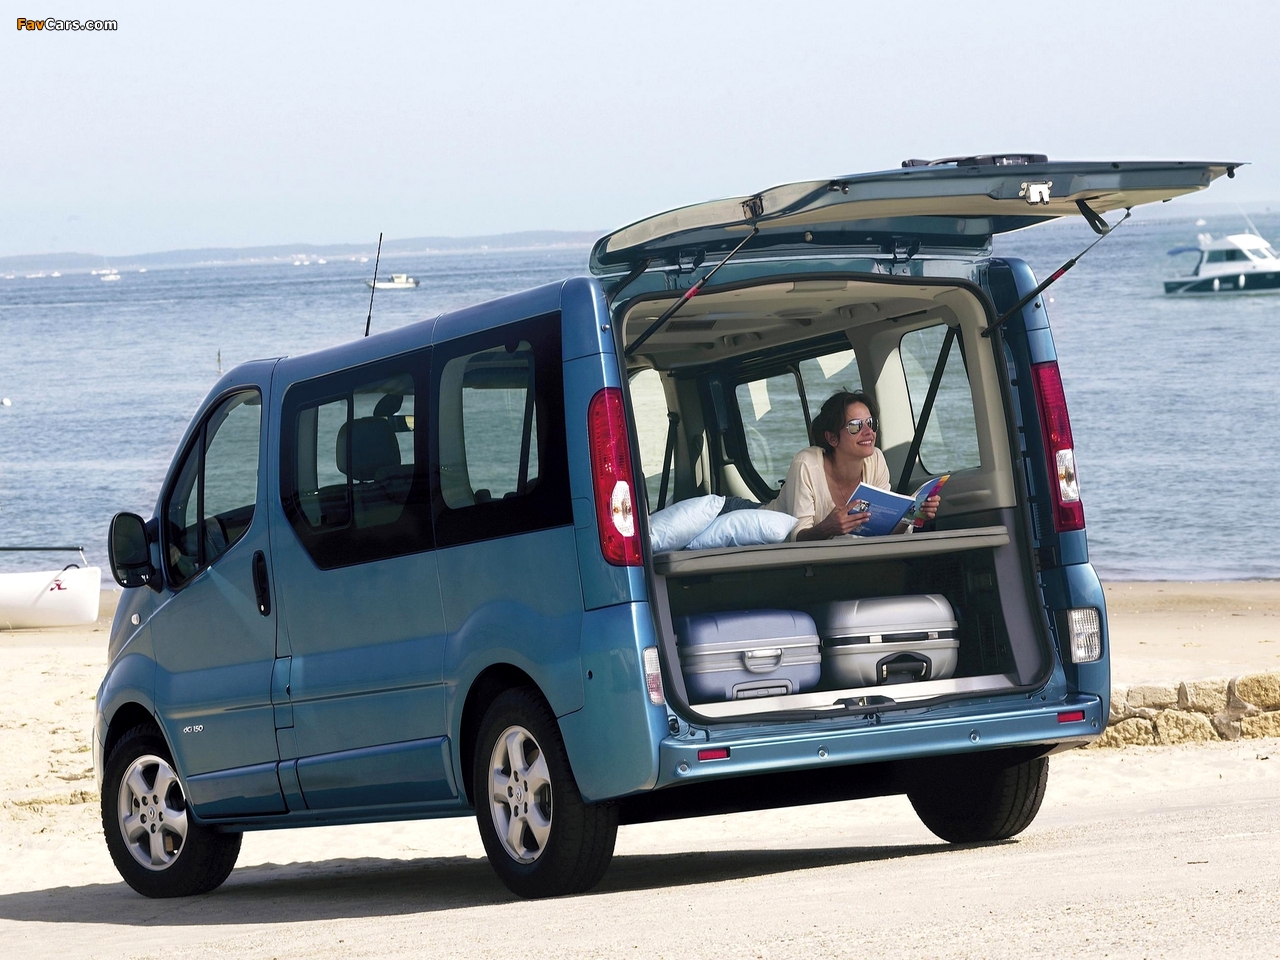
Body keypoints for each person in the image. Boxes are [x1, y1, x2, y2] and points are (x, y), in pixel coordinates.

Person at [765, 390, 939, 541]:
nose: (868, 432)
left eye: (871, 423)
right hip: (765, 534)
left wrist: (912, 515)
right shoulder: (806, 464)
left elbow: (883, 534)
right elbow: (797, 539)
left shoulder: (876, 460)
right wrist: (828, 528)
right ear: (832, 438)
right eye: (855, 426)